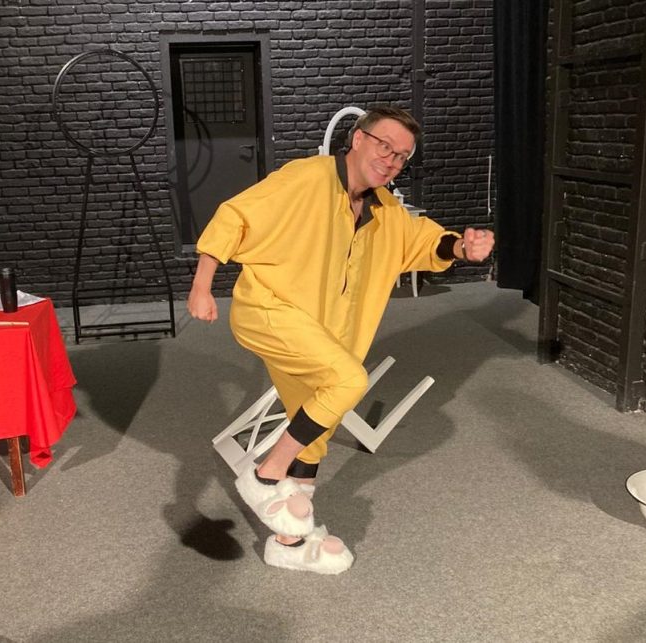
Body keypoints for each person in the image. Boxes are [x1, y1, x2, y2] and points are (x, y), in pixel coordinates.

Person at [187, 105, 494, 574]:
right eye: (384, 146)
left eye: (402, 157)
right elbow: (236, 216)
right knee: (348, 380)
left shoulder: (386, 210)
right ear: (358, 139)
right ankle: (265, 475)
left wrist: (461, 247)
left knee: (316, 430)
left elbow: (423, 242)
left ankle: (290, 539)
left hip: (321, 332)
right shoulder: (306, 178)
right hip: (269, 310)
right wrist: (202, 285)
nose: (391, 161)